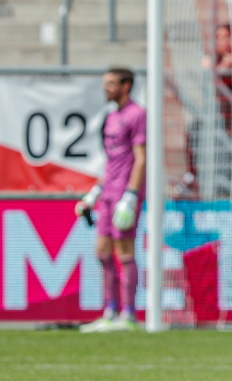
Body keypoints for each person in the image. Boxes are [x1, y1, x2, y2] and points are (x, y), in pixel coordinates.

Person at [76, 68, 147, 333]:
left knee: (125, 252)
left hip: (124, 193)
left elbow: (141, 158)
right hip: (108, 192)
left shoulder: (137, 114)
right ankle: (110, 312)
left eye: (111, 83)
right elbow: (112, 161)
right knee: (103, 252)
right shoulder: (111, 117)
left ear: (126, 86)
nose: (105, 88)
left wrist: (131, 194)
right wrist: (95, 192)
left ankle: (129, 315)